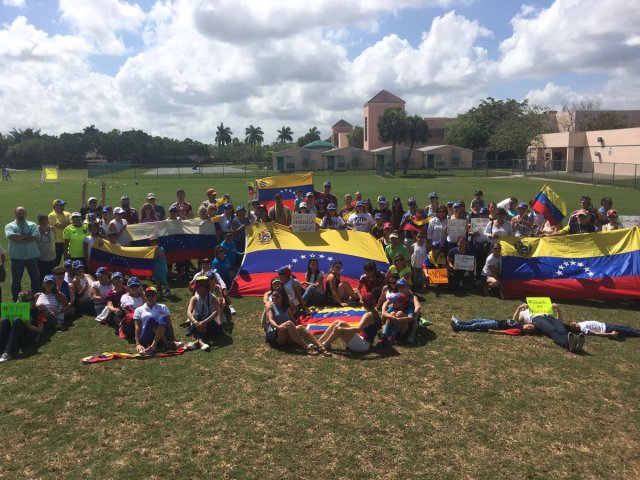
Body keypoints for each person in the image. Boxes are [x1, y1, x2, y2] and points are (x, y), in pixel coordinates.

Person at [263, 286, 327, 355]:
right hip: (275, 335)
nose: (274, 298)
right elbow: (271, 319)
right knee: (289, 323)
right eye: (273, 296)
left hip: (285, 333)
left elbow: (292, 318)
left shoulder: (285, 306)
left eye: (277, 296)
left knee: (299, 327)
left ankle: (320, 346)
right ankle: (307, 348)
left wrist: (300, 328)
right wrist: (277, 326)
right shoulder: (269, 305)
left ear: (282, 297)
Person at [317, 292, 382, 353]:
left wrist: (342, 329)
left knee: (341, 325)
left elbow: (358, 329)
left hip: (363, 345)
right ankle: (318, 342)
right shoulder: (374, 312)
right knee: (337, 322)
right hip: (363, 341)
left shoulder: (369, 315)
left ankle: (326, 344)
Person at [514, 302, 584, 352]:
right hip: (537, 319)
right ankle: (568, 345)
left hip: (549, 317)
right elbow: (514, 321)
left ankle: (575, 344)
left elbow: (560, 321)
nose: (527, 304)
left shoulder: (542, 307)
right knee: (552, 330)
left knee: (562, 329)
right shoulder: (524, 312)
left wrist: (557, 309)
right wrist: (519, 308)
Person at [0, 293, 49, 363]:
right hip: (17, 335)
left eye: (32, 299)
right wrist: (18, 301)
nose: (30, 302)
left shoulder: (38, 311)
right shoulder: (18, 309)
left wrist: (29, 326)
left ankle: (9, 353)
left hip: (30, 336)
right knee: (4, 321)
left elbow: (41, 330)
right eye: (26, 300)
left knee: (17, 320)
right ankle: (1, 350)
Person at [5, 206, 40, 301]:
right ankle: (16, 300)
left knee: (35, 279)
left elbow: (35, 237)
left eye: (23, 213)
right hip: (17, 257)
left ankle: (37, 299)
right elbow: (12, 237)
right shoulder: (9, 226)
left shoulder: (32, 225)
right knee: (16, 281)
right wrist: (28, 237)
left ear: (26, 214)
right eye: (19, 213)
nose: (21, 215)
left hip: (31, 256)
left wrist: (19, 238)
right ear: (15, 214)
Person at [133, 287, 181, 356]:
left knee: (162, 318)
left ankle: (153, 347)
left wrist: (173, 338)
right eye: (148, 295)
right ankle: (166, 342)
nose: (150, 297)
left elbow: (169, 323)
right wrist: (138, 344)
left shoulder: (162, 307)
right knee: (151, 320)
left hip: (163, 332)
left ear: (156, 296)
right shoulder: (139, 310)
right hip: (147, 336)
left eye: (152, 295)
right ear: (145, 296)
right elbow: (137, 327)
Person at [185, 276, 224, 351]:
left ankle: (197, 342)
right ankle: (201, 342)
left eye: (198, 287)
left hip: (210, 323)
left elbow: (215, 313)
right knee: (197, 316)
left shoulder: (212, 297)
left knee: (199, 316)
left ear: (205, 288)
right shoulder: (194, 298)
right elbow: (188, 312)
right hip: (198, 323)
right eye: (196, 287)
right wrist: (194, 321)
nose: (196, 289)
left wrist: (204, 322)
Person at [450, 316, 536, 335]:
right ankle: (459, 322)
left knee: (476, 325)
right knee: (475, 320)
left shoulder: (520, 330)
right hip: (496, 321)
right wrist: (520, 308)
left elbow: (507, 332)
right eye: (530, 326)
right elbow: (514, 317)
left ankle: (458, 327)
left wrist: (495, 331)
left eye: (530, 329)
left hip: (496, 325)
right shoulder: (520, 323)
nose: (528, 327)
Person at [48, 199, 71, 265]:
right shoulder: (51, 215)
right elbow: (59, 226)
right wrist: (68, 223)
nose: (62, 206)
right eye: (60, 205)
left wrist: (64, 224)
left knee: (69, 262)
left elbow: (73, 223)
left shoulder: (68, 213)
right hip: (57, 243)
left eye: (63, 205)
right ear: (54, 206)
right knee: (56, 262)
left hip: (67, 242)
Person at [36, 214, 56, 284]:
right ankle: (42, 290)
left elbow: (54, 239)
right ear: (39, 222)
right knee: (42, 275)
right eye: (42, 221)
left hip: (52, 257)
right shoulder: (36, 230)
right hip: (41, 258)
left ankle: (51, 290)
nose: (44, 222)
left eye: (46, 220)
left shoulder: (52, 229)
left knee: (51, 275)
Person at [565, 320, 640, 339]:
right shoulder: (583, 329)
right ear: (574, 330)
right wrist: (610, 334)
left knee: (627, 329)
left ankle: (621, 335)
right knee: (629, 330)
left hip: (606, 325)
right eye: (573, 327)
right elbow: (596, 333)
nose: (575, 325)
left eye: (573, 323)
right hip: (607, 329)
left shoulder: (580, 323)